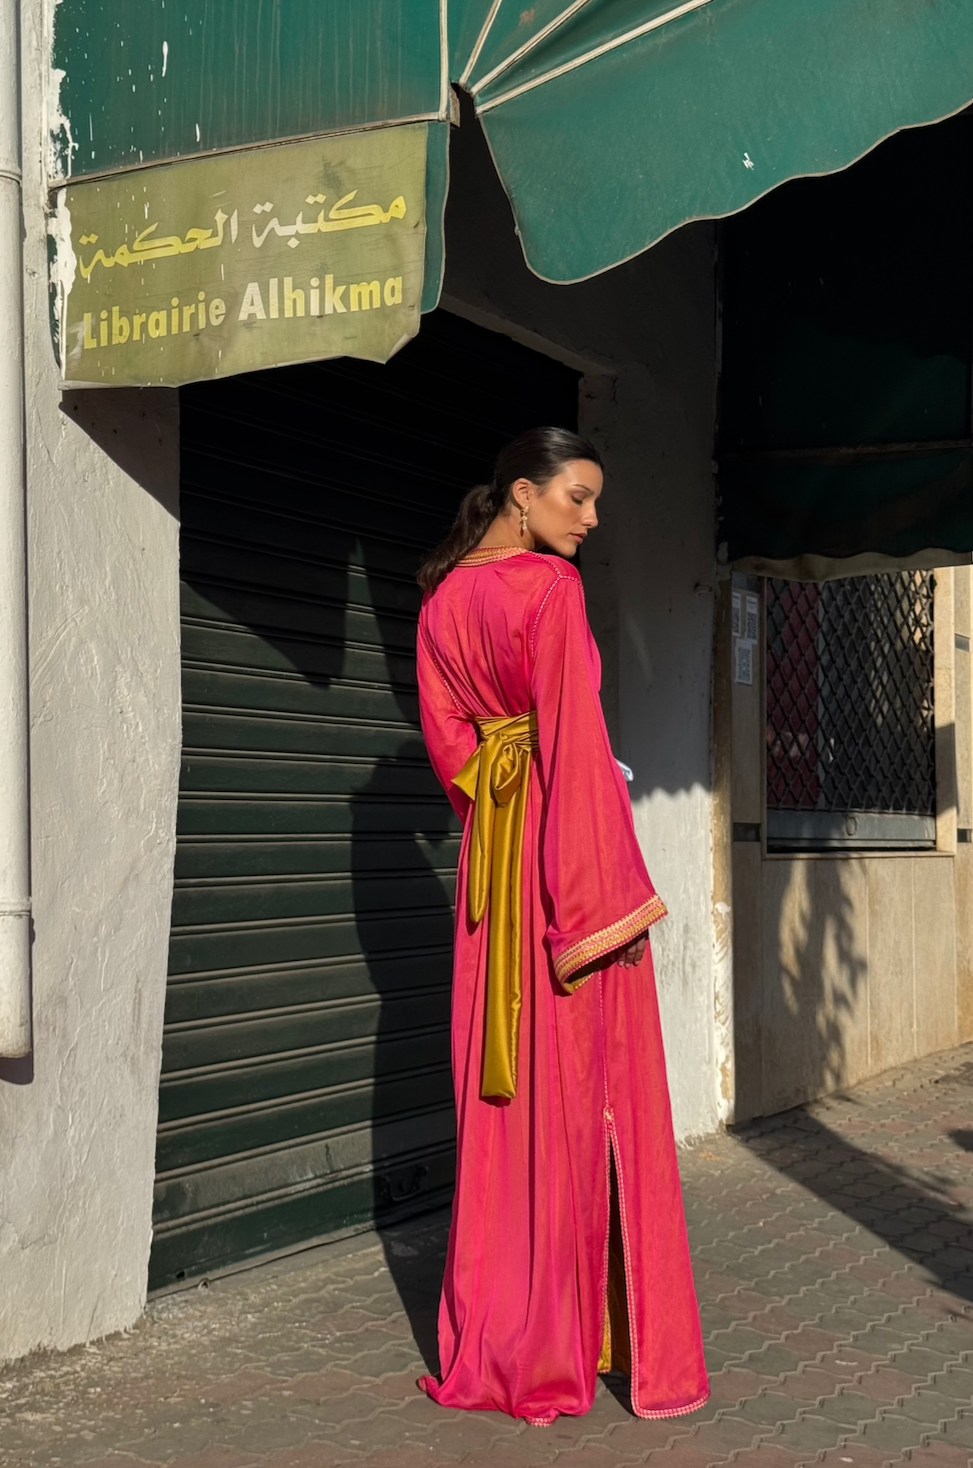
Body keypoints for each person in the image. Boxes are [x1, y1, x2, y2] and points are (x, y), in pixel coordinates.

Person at [414, 428, 708, 1425]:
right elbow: (575, 742)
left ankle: (505, 1332)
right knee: (591, 1096)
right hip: (559, 869)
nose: (588, 518)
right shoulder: (547, 591)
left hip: (489, 877)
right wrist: (600, 906)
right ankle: (571, 1339)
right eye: (575, 497)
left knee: (504, 1111)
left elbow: (452, 750)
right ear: (521, 493)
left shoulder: (442, 601)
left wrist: (498, 803)